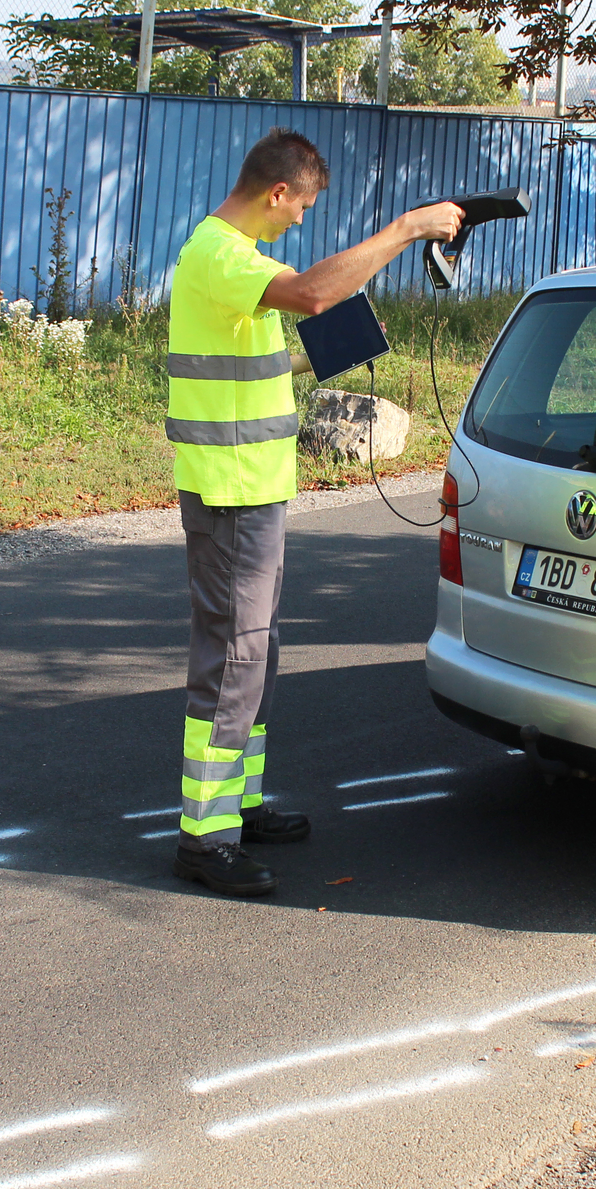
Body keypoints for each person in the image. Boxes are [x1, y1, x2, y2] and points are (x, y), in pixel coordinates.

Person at [165, 127, 462, 896]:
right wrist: (407, 229)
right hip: (232, 490)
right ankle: (204, 837)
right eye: (301, 205)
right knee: (234, 658)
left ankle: (239, 804)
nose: (301, 219)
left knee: (256, 654)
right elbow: (314, 293)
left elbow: (252, 358)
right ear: (276, 193)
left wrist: (318, 353)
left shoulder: (232, 259)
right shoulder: (222, 255)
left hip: (251, 487)